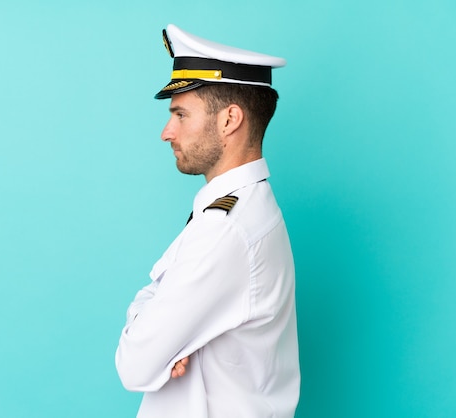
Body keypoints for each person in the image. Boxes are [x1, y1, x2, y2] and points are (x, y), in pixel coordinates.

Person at [115, 24, 300, 418]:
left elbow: (134, 365)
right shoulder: (240, 210)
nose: (167, 132)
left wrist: (156, 345)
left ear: (230, 119)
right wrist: (162, 340)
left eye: (181, 114)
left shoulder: (226, 228)